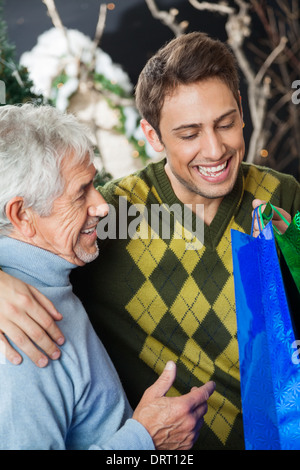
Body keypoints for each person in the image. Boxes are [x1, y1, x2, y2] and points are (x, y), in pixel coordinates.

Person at [0, 32, 299, 449]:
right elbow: (31, 226)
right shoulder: (107, 217)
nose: (215, 149)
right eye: (190, 133)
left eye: (226, 123)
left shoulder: (284, 197)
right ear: (153, 136)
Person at [0, 103, 215, 450]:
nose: (101, 206)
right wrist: (145, 439)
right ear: (23, 215)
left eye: (94, 184)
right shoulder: (16, 347)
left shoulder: (50, 280)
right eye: (80, 192)